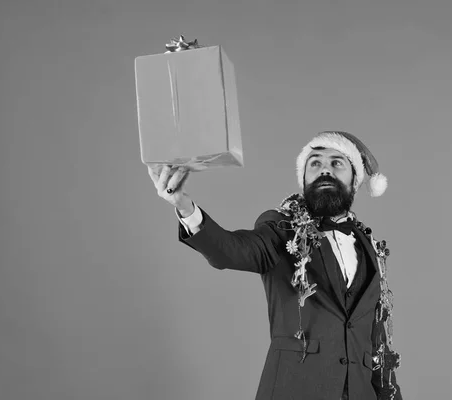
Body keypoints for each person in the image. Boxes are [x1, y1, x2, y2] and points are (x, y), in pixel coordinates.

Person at [149, 131, 403, 400]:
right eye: (315, 163)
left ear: (355, 180)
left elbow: (377, 343)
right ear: (304, 178)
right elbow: (228, 251)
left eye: (337, 163)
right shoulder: (281, 229)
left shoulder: (369, 245)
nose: (324, 170)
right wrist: (185, 207)